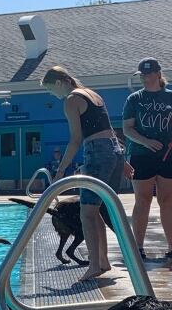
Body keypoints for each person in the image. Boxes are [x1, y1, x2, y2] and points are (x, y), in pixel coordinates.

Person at [41, 65, 130, 281]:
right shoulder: (92, 94)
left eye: (51, 90)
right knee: (95, 209)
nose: (53, 95)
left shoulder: (72, 100)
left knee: (87, 212)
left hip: (98, 152)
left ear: (60, 83)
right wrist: (122, 160)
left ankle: (94, 265)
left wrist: (60, 171)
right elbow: (108, 130)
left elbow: (75, 139)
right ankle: (103, 261)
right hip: (113, 151)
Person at [123, 57, 172, 260]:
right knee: (142, 200)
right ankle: (138, 248)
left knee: (167, 200)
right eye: (143, 75)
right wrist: (145, 141)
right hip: (142, 155)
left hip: (169, 154)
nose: (146, 78)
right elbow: (127, 129)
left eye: (150, 74)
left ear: (159, 74)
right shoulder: (134, 99)